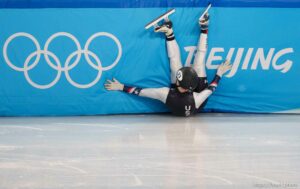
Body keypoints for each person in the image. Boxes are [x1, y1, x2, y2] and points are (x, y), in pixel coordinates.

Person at [105, 13, 232, 117]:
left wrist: (121, 87)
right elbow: (211, 88)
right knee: (199, 62)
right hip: (198, 99)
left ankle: (169, 32)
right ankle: (204, 27)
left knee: (175, 64)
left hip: (187, 98)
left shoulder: (166, 94)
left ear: (177, 82)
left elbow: (142, 92)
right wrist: (219, 73)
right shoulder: (198, 97)